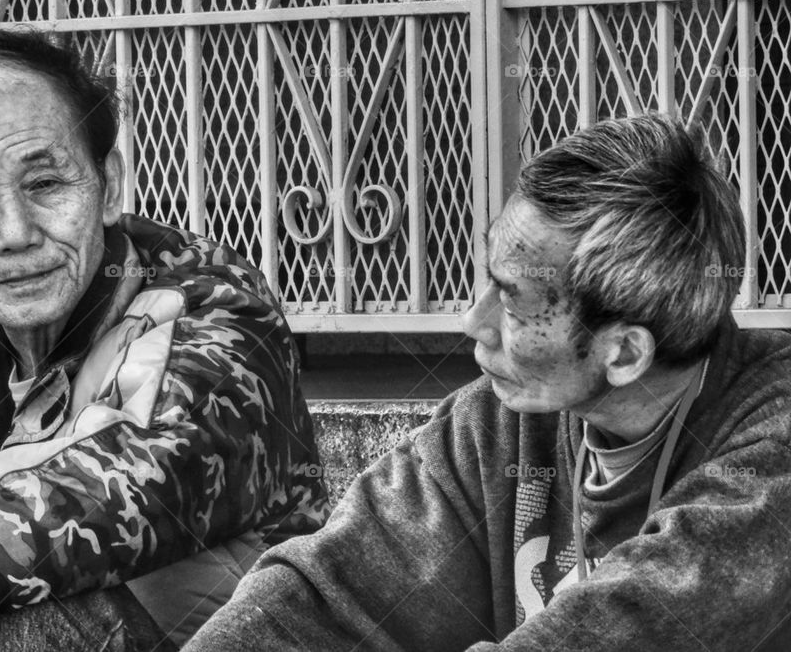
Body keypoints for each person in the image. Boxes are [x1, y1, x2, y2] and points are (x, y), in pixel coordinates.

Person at [184, 114, 791, 651]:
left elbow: (638, 620)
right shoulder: (496, 429)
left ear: (625, 353)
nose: (473, 322)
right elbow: (325, 596)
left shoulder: (771, 449)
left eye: (514, 299)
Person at [0, 29, 328, 651]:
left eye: (45, 185)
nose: (14, 234)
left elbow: (112, 488)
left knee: (25, 618)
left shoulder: (218, 318)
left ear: (108, 183)